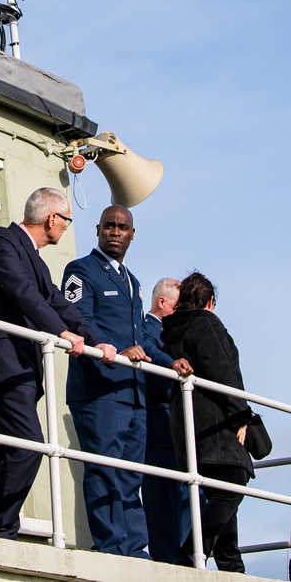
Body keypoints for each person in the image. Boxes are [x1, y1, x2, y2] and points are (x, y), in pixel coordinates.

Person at [0, 187, 115, 539]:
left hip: (22, 366)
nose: (66, 228)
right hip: (1, 362)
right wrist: (62, 332)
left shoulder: (37, 260)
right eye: (67, 221)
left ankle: (0, 528)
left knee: (11, 448)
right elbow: (22, 292)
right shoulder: (2, 240)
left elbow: (59, 303)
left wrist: (96, 341)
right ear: (52, 219)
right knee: (29, 444)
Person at [62, 204, 173, 558]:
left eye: (122, 227)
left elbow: (142, 336)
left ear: (132, 234)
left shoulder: (132, 281)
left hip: (133, 392)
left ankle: (133, 547)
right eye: (109, 225)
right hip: (99, 388)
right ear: (97, 229)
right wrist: (117, 348)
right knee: (105, 468)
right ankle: (111, 545)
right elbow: (77, 319)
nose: (114, 231)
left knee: (130, 474)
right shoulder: (81, 270)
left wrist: (174, 364)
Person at [162, 272, 254, 572]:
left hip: (189, 429)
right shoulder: (206, 323)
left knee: (220, 493)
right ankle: (190, 554)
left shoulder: (172, 331)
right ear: (210, 301)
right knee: (233, 486)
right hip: (215, 427)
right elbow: (222, 371)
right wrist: (241, 415)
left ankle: (231, 564)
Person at [142, 278, 192, 563]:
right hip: (157, 423)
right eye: (177, 305)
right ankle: (168, 560)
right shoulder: (146, 327)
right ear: (162, 302)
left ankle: (187, 558)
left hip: (177, 426)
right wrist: (172, 363)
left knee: (187, 496)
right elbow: (149, 352)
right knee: (162, 497)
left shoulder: (178, 332)